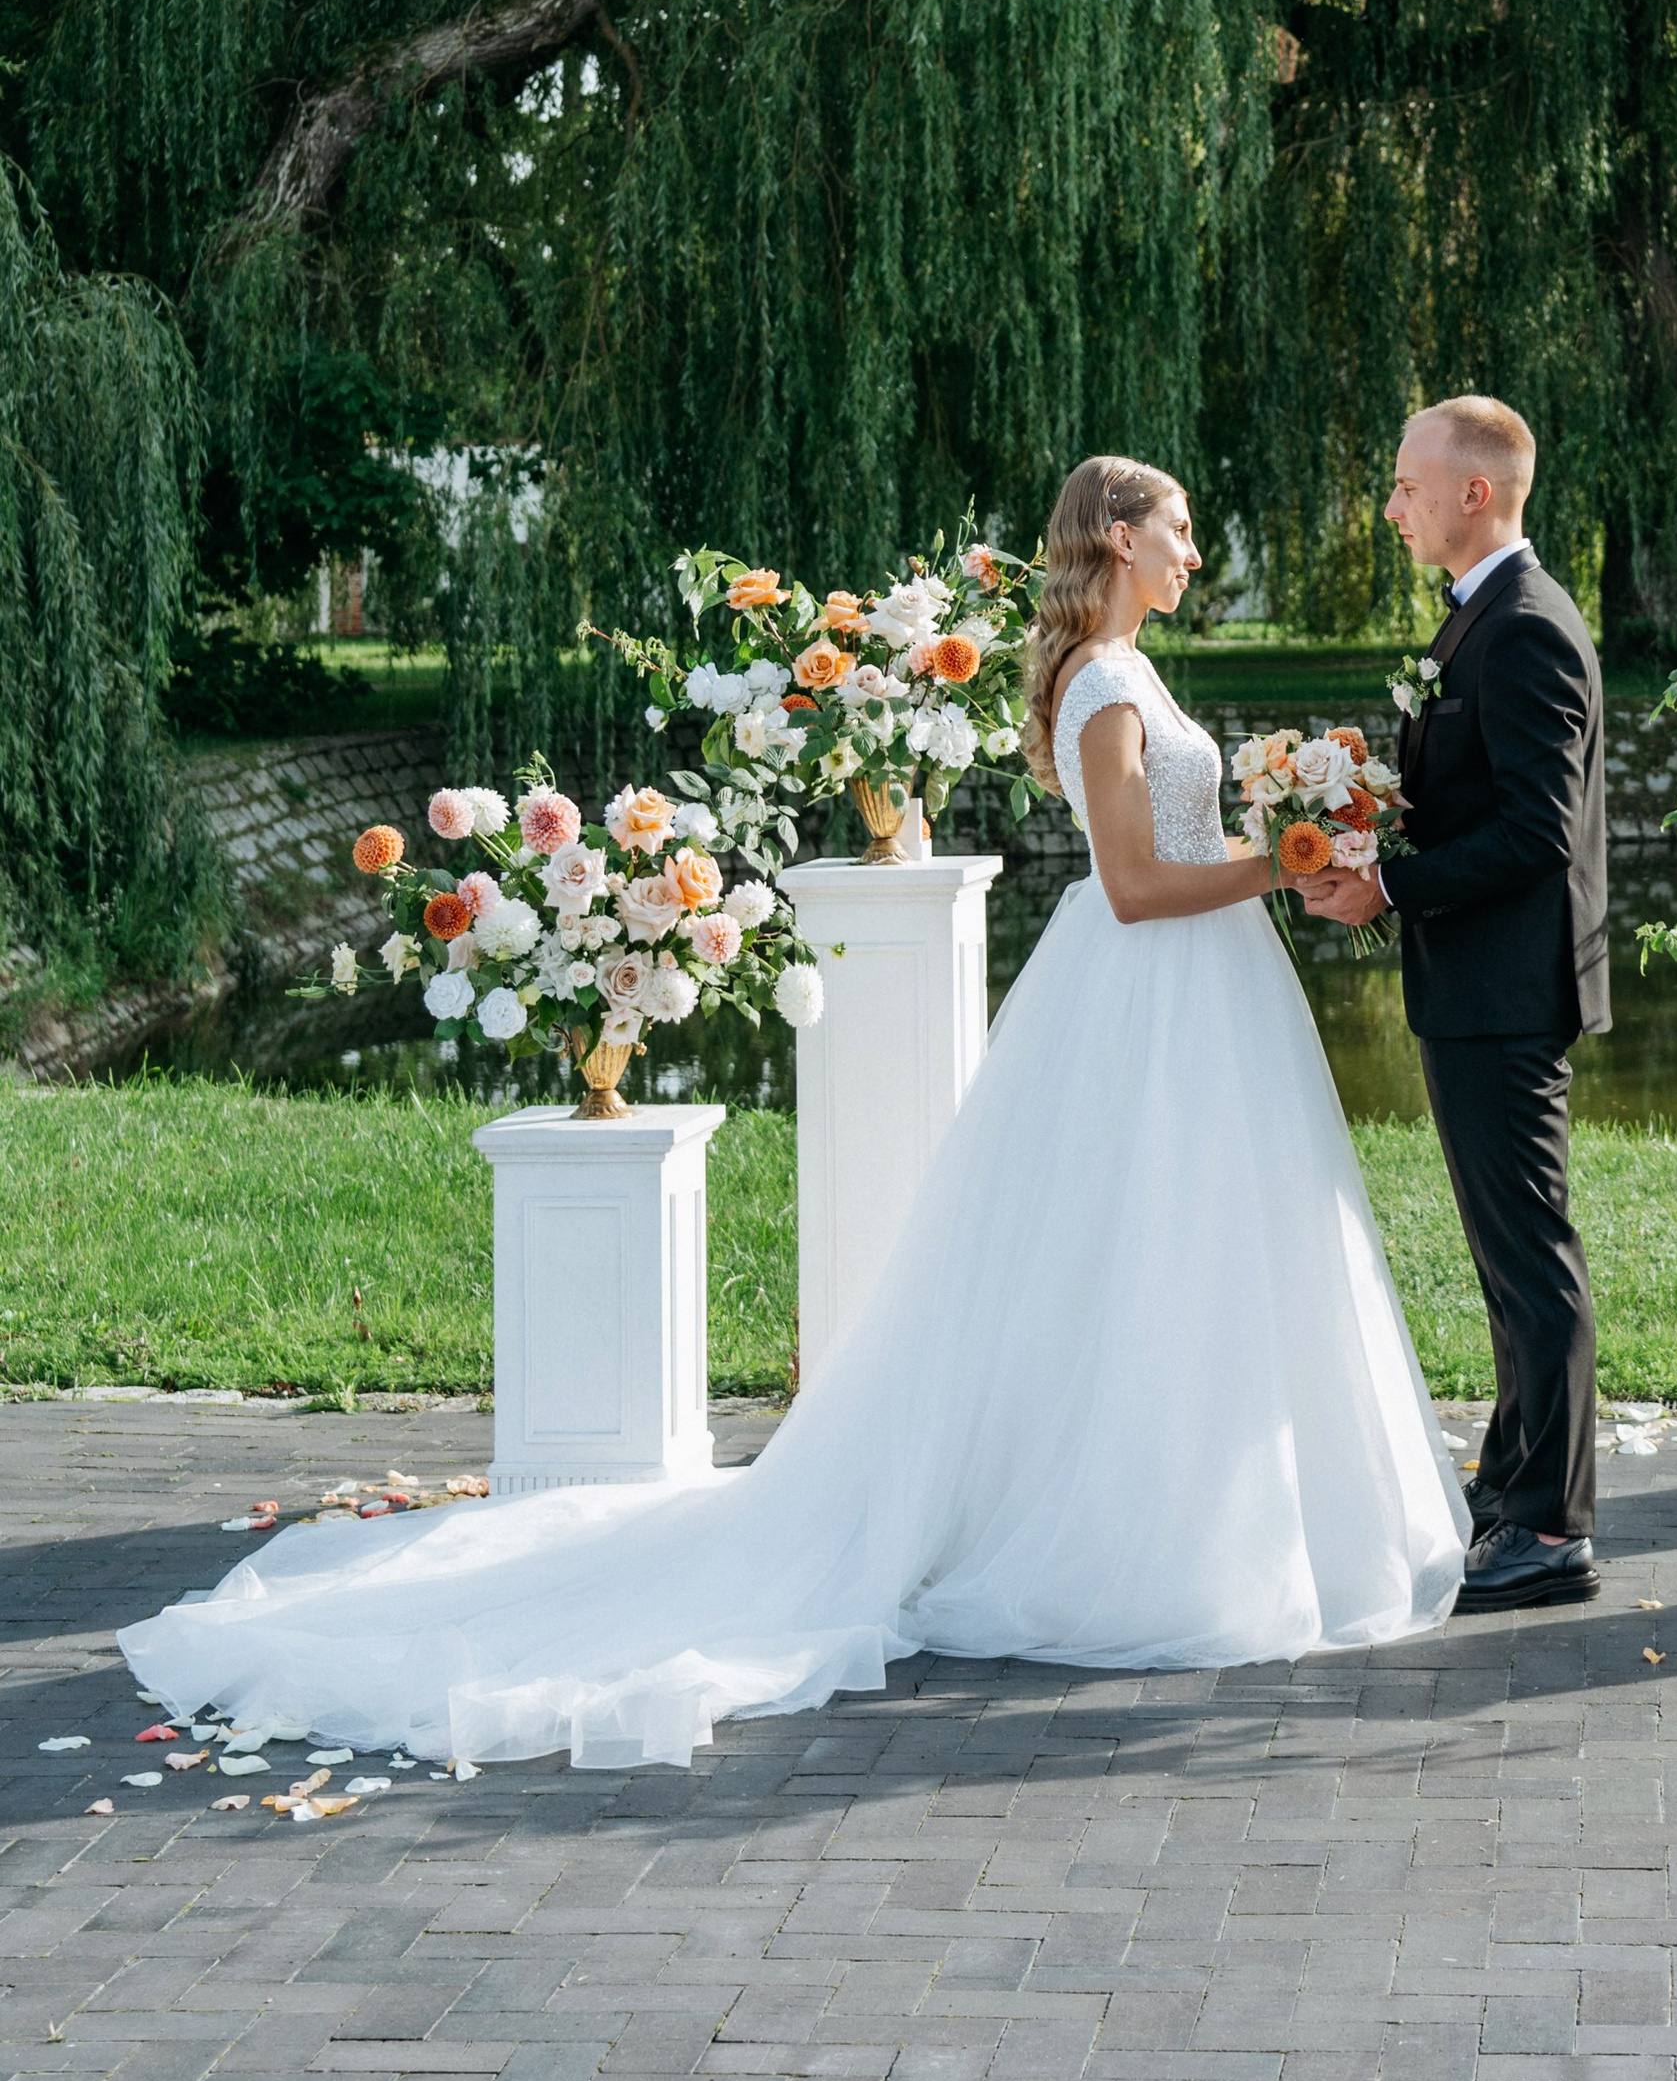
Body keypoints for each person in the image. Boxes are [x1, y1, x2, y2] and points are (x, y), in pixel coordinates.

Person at [120, 458, 1466, 1769]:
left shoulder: (1134, 669)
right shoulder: (1106, 684)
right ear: (1116, 536)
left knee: (1184, 1253)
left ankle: (1198, 1507)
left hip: (1200, 999)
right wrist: (1283, 869)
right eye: (1174, 529)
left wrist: (1292, 831)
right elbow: (1128, 885)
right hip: (1149, 985)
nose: (1191, 551)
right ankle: (1120, 1531)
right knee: (1132, 1245)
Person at [1296, 394, 1608, 1611]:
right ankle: (1514, 1482)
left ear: (1474, 492)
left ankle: (1548, 1528)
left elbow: (1539, 832)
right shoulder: (1477, 620)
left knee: (1531, 1256)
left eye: (1407, 484)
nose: (1392, 506)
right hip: (1472, 984)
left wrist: (1387, 886)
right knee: (1505, 1255)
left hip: (1505, 989)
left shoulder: (1525, 628)